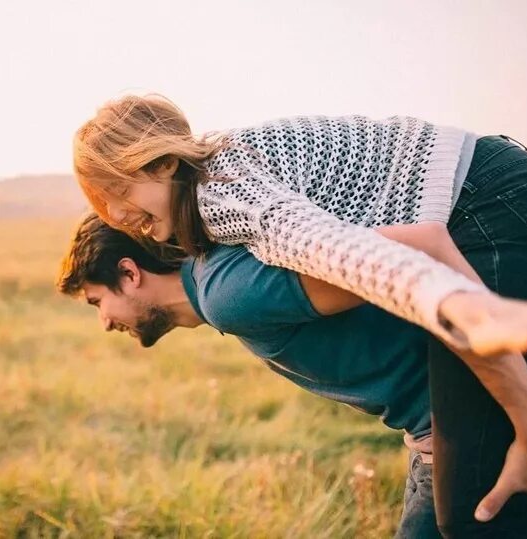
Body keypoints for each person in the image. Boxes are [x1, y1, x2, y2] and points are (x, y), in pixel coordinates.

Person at [71, 96, 527, 536]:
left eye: (117, 190)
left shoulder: (228, 206)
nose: (114, 213)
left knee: (473, 518)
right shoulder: (211, 214)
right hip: (479, 184)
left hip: (482, 201)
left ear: (162, 162)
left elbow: (333, 247)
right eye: (102, 204)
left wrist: (469, 310)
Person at [56, 213, 439, 537]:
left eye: (97, 302)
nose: (104, 322)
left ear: (129, 273)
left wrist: (473, 402)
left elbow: (404, 255)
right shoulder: (220, 286)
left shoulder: (228, 296)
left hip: (455, 424)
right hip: (435, 430)